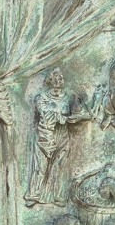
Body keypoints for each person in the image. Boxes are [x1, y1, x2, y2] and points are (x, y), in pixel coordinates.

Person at [25, 68, 93, 207]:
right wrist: (63, 117)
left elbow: (82, 113)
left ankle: (59, 196)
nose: (58, 81)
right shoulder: (41, 98)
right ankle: (34, 194)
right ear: (49, 81)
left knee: (60, 165)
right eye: (55, 78)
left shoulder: (69, 97)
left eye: (60, 78)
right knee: (40, 166)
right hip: (45, 135)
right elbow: (45, 113)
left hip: (62, 134)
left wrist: (78, 113)